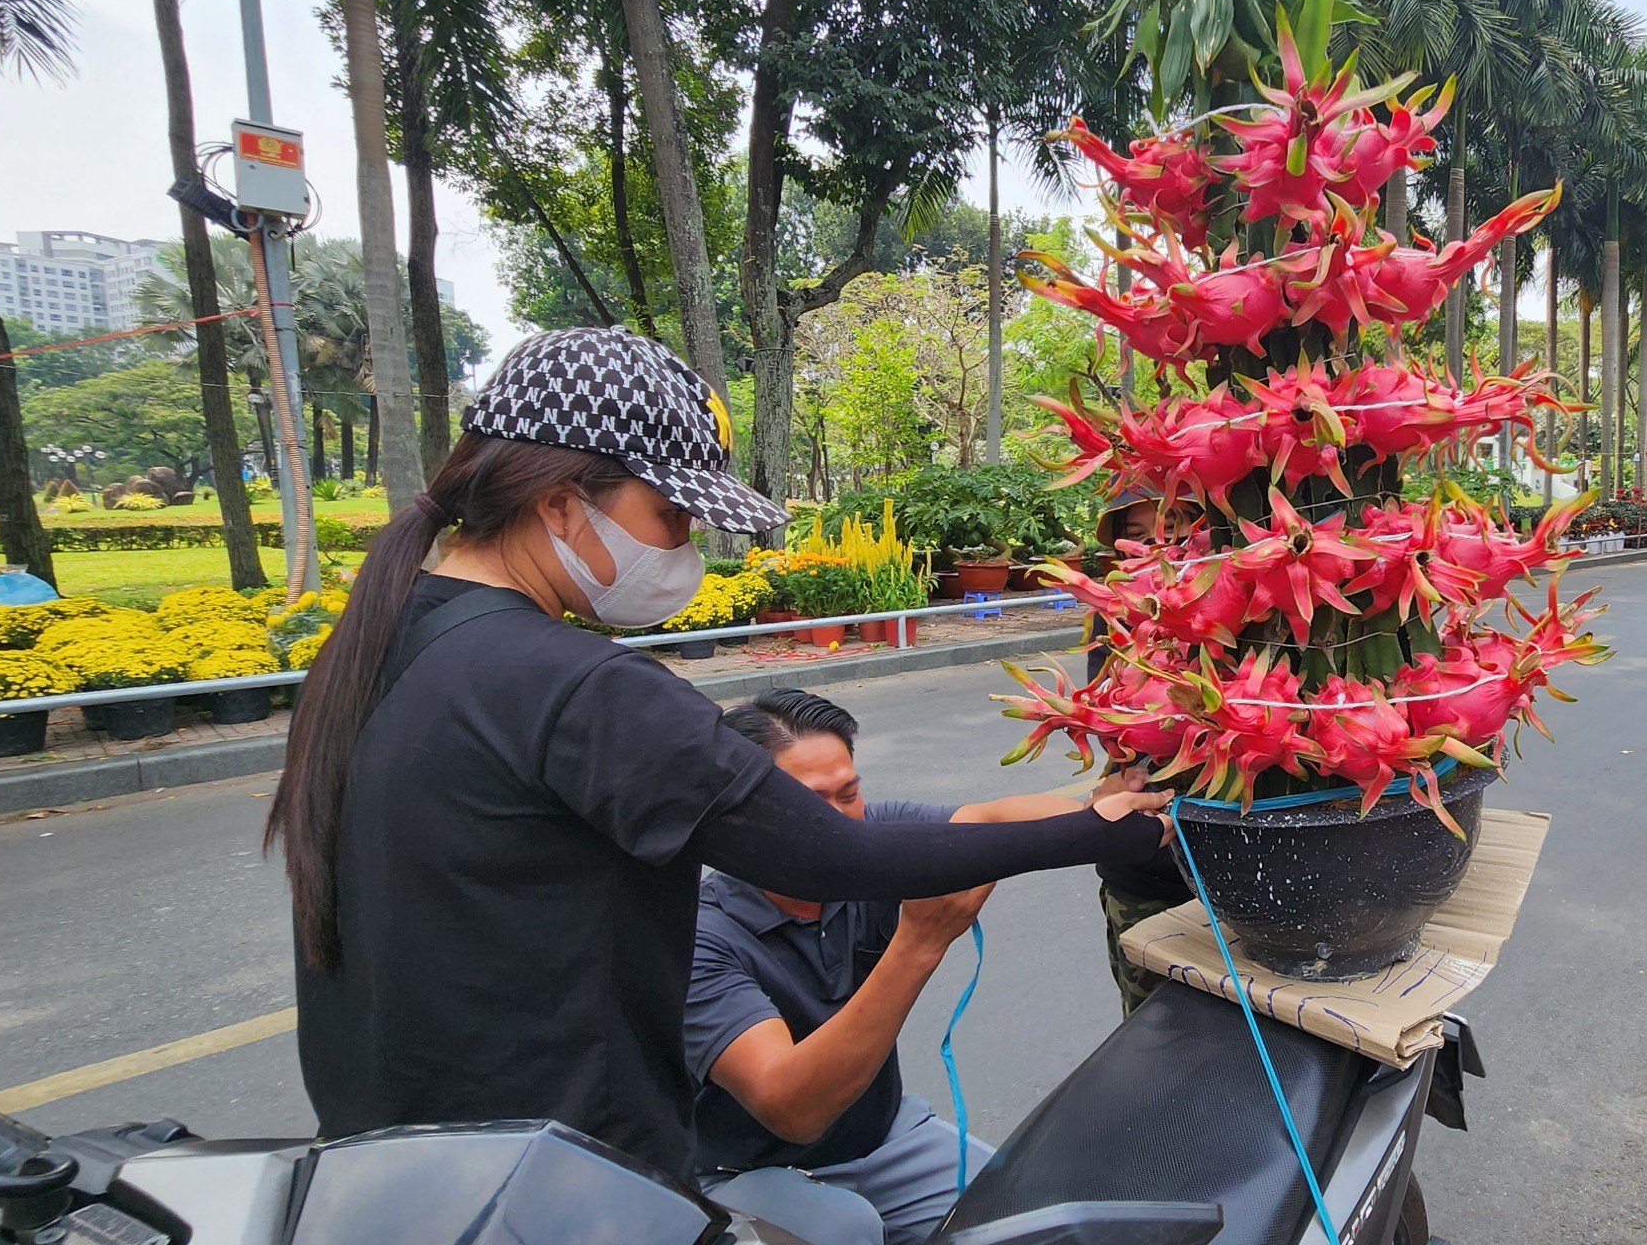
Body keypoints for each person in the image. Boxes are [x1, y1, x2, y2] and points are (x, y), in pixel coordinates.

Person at [274, 327, 1171, 1182]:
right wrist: (1096, 827)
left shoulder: (386, 640)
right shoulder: (569, 682)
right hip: (550, 1177)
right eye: (670, 516)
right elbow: (831, 851)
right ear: (558, 504)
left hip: (388, 1154)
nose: (686, 549)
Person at [686, 689, 1138, 1245]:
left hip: (882, 1138)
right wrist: (917, 946)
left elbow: (989, 821)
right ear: (739, 813)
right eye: (809, 805)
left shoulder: (873, 839)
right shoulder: (702, 935)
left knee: (1025, 1227)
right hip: (746, 1171)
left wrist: (1105, 811)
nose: (837, 822)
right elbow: (791, 1108)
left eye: (848, 795)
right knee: (844, 1234)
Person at [1086, 493, 1199, 1015]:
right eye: (1140, 534)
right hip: (1146, 869)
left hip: (1242, 871)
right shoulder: (1110, 617)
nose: (1157, 547)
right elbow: (1110, 727)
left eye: (1174, 529)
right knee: (1153, 1041)